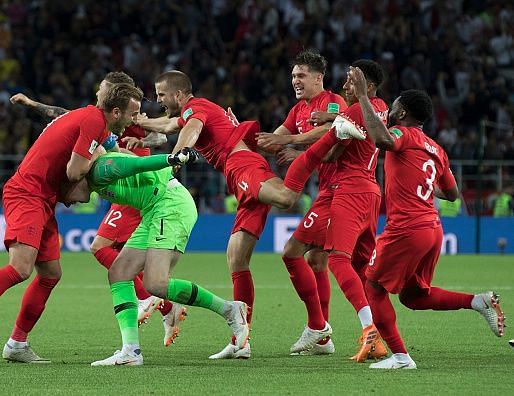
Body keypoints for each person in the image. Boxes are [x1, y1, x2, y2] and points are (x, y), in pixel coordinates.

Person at [0, 82, 144, 363]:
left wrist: (154, 164)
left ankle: (17, 344)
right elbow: (74, 172)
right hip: (27, 194)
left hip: (43, 199)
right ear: (117, 111)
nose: (136, 120)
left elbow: (111, 146)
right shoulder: (95, 122)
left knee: (50, 274)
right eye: (133, 114)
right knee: (20, 268)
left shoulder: (92, 121)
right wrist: (99, 157)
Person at [136, 70, 319, 359]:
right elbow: (172, 124)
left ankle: (318, 151)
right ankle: (241, 341)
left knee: (286, 198)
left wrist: (178, 156)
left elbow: (190, 129)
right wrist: (141, 121)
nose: (158, 100)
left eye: (161, 95)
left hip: (241, 164)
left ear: (179, 95)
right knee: (236, 257)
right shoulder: (193, 111)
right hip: (238, 171)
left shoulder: (196, 107)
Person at [11, 72, 185, 347]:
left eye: (101, 92)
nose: (97, 97)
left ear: (114, 94)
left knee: (101, 248)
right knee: (120, 255)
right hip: (118, 186)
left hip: (136, 183)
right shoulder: (99, 121)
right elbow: (61, 114)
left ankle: (153, 300)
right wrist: (32, 104)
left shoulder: (132, 114)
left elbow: (160, 138)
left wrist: (143, 143)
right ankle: (164, 306)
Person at [348, 67, 505, 369]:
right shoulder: (438, 150)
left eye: (393, 107)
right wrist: (421, 183)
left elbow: (381, 139)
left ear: (402, 112)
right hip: (432, 228)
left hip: (406, 228)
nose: (390, 112)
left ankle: (401, 357)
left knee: (374, 287)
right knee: (414, 297)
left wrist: (365, 97)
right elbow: (453, 194)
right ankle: (477, 301)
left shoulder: (401, 134)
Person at [61, 150, 250, 366]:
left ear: (73, 180)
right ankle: (131, 351)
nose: (66, 203)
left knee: (156, 283)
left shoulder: (100, 171)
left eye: (63, 195)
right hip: (153, 210)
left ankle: (230, 310)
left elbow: (137, 165)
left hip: (170, 205)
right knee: (119, 272)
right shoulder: (95, 176)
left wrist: (171, 158)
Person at [283, 60, 389, 362]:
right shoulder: (379, 108)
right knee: (349, 266)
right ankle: (364, 333)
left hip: (346, 191)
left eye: (351, 81)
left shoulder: (353, 110)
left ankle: (363, 329)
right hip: (370, 192)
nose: (345, 86)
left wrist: (299, 150)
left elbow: (330, 152)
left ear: (367, 86)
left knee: (335, 260)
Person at [256, 50, 347, 355]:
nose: (295, 80)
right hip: (328, 191)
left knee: (292, 253)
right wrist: (239, 137)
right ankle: (323, 338)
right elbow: (275, 139)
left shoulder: (333, 102)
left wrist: (293, 143)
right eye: (293, 76)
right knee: (317, 260)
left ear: (318, 78)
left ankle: (319, 326)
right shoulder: (298, 111)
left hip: (343, 190)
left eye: (301, 75)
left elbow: (333, 131)